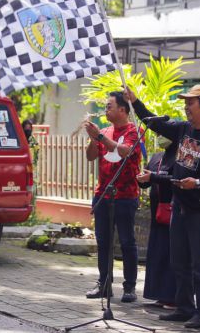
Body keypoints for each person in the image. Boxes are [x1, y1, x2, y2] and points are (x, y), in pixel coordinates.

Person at [126, 84, 200, 329]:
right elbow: (155, 123)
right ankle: (184, 307)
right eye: (185, 104)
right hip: (179, 207)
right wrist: (135, 101)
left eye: (191, 103)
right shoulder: (184, 129)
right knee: (179, 261)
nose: (186, 108)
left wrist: (199, 182)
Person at [84, 91, 142, 303]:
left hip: (125, 195)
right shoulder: (106, 130)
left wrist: (100, 137)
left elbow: (125, 151)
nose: (106, 109)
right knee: (103, 242)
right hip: (103, 195)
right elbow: (91, 156)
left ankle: (129, 287)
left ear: (123, 110)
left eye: (110, 106)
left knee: (127, 242)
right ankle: (104, 284)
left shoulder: (134, 131)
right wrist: (93, 139)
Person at [136, 134, 177, 308]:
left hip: (173, 213)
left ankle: (172, 296)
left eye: (164, 134)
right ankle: (157, 293)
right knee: (157, 254)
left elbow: (174, 181)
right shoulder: (157, 157)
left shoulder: (181, 158)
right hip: (156, 214)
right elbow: (146, 182)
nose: (161, 137)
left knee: (171, 255)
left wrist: (153, 177)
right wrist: (141, 177)